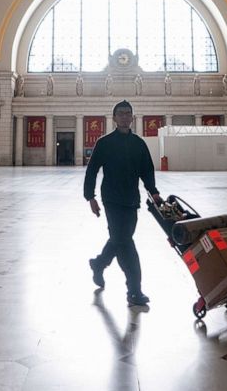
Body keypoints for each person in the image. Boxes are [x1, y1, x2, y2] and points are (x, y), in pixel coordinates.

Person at [84, 100, 161, 307]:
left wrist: (153, 192)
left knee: (119, 239)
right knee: (126, 243)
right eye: (121, 113)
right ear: (114, 118)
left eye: (128, 113)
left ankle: (99, 263)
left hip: (131, 200)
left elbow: (147, 170)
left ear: (132, 118)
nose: (125, 117)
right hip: (111, 199)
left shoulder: (139, 144)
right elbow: (92, 170)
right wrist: (90, 197)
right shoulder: (104, 142)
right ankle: (134, 291)